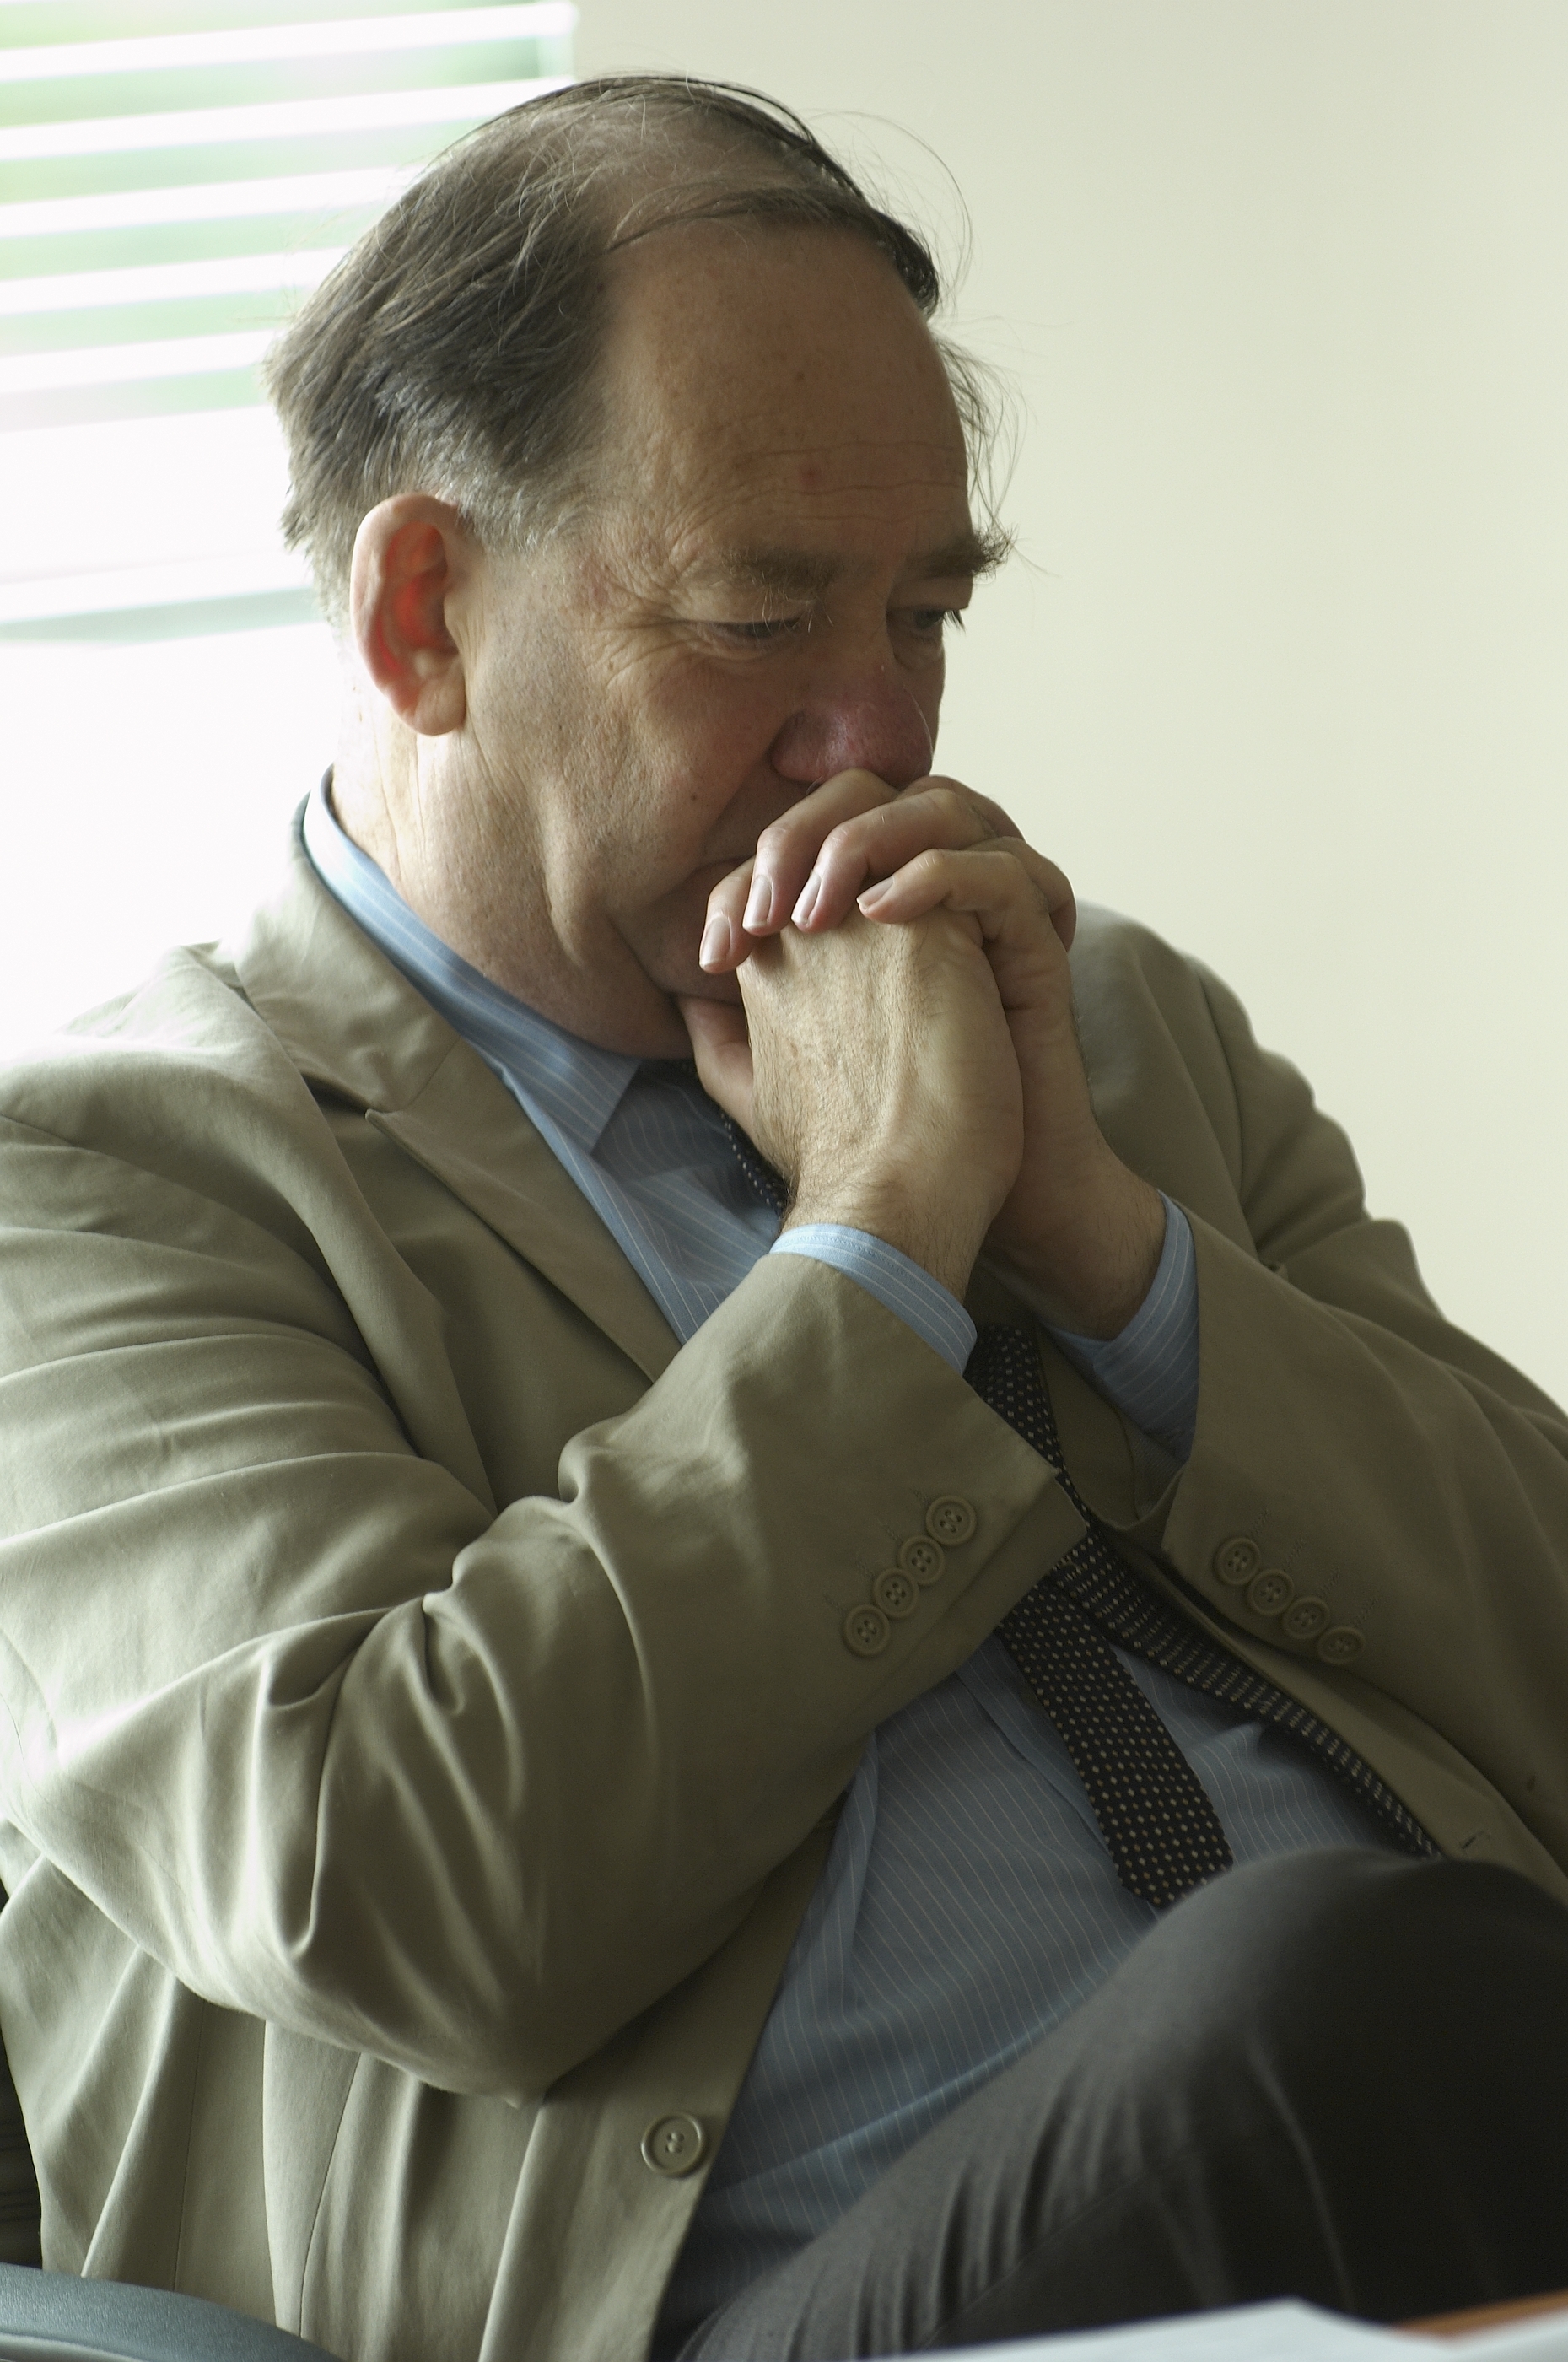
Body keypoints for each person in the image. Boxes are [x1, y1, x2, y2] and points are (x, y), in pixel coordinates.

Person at [1, 74, 1566, 2362]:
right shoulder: (101, 1190)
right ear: (426, 615)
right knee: (1329, 1993)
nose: (872, 736)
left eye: (925, 615)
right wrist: (881, 1238)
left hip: (1438, 2152)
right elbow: (408, 1881)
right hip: (806, 2303)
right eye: (757, 619)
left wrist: (1102, 1243)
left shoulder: (1112, 1029)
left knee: (1364, 1998)